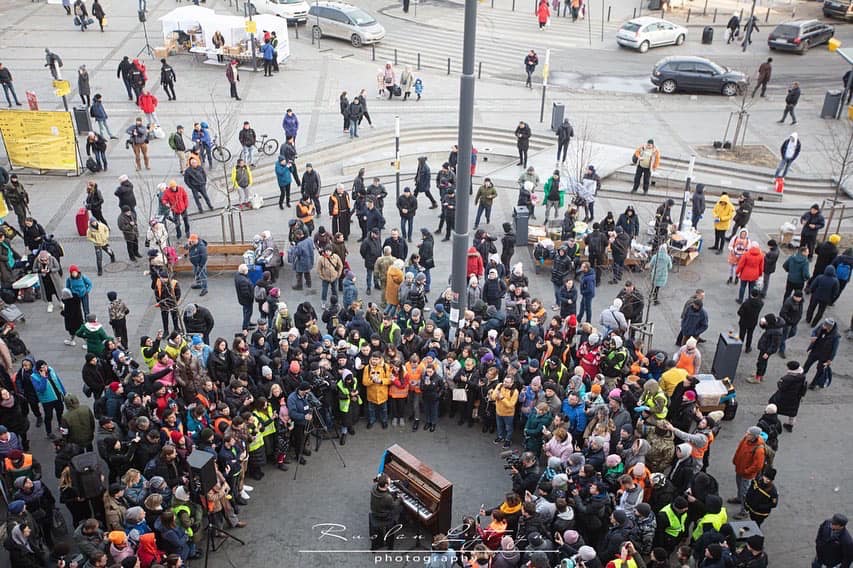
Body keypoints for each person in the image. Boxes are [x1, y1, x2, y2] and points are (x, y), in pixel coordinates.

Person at [729, 427, 765, 517]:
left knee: (745, 492)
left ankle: (744, 511)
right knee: (739, 486)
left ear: (754, 436)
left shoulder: (759, 449)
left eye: (749, 434)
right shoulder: (746, 439)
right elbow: (739, 449)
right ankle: (739, 498)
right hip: (740, 469)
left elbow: (758, 465)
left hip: (747, 474)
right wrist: (735, 460)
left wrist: (747, 471)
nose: (746, 435)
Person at [805, 318, 840, 390]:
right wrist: (813, 336)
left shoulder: (835, 336)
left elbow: (834, 349)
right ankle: (799, 379)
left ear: (829, 327)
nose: (823, 326)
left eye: (825, 326)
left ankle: (813, 384)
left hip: (825, 355)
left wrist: (830, 359)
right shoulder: (822, 326)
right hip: (815, 351)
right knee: (807, 365)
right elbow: (814, 331)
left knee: (820, 370)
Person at [369, 474, 402, 550]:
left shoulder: (374, 488)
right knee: (400, 509)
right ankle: (390, 539)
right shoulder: (387, 497)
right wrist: (400, 499)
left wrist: (393, 493)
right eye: (389, 481)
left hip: (374, 512)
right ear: (386, 485)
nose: (391, 481)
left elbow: (385, 494)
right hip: (384, 517)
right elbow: (394, 505)